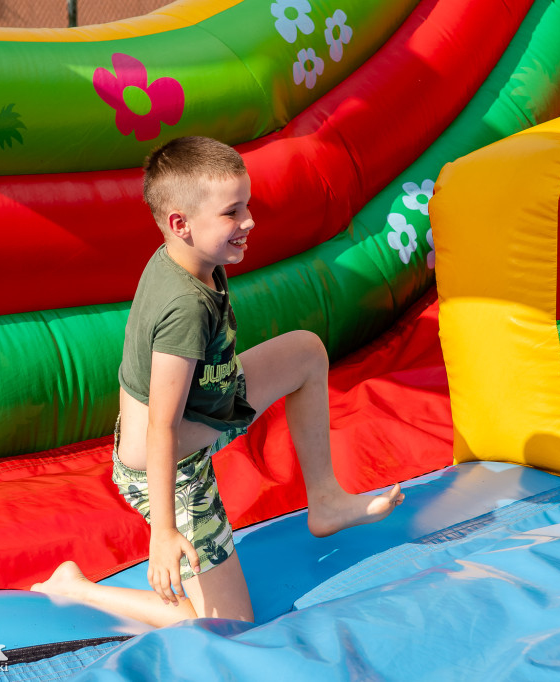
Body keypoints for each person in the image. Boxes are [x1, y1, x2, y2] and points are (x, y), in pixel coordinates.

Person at [32, 136, 404, 627]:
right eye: (233, 213)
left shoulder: (193, 256)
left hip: (213, 404)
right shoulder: (183, 309)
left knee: (305, 352)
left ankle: (326, 499)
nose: (248, 221)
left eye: (246, 206)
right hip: (172, 466)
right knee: (228, 624)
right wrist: (163, 531)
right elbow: (160, 428)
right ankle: (76, 589)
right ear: (180, 224)